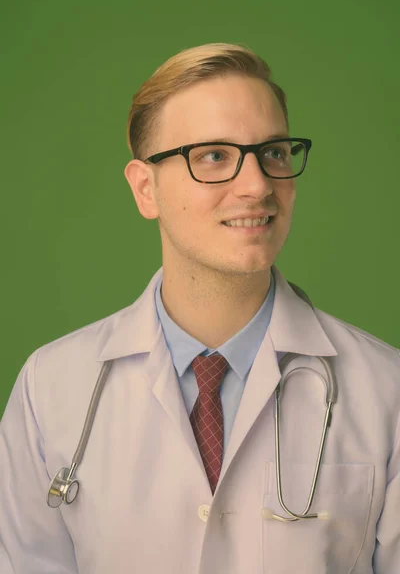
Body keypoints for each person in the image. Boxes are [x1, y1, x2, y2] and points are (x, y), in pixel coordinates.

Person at [0, 42, 399, 574]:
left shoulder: (386, 389)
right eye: (214, 156)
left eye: (274, 152)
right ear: (146, 189)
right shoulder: (50, 389)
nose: (258, 186)